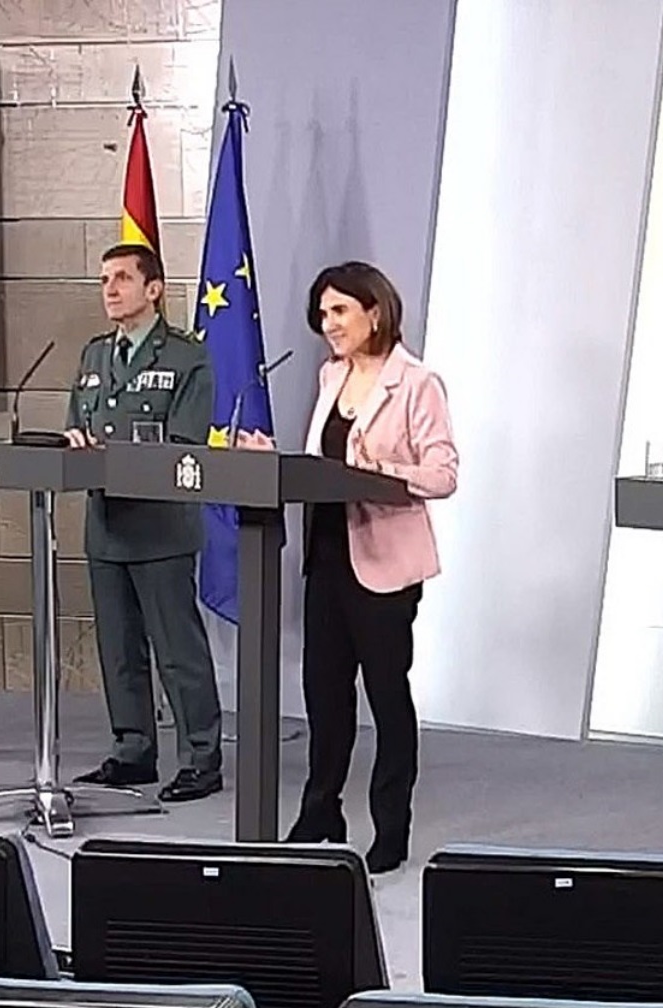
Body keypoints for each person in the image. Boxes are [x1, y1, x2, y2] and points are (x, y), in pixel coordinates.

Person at [239, 261, 458, 874]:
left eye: (339, 310)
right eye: (323, 313)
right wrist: (274, 460)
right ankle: (320, 812)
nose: (328, 324)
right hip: (328, 555)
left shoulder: (417, 382)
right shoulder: (330, 374)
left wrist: (379, 473)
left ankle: (391, 825)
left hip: (385, 563)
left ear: (375, 312)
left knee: (386, 695)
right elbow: (324, 465)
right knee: (324, 694)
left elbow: (443, 474)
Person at [68, 243, 227, 803]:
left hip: (160, 527)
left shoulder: (186, 357)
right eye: (104, 280)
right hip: (106, 526)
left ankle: (201, 757)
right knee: (119, 650)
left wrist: (113, 452)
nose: (110, 289)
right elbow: (77, 428)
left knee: (178, 652)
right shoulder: (94, 355)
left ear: (153, 289)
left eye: (122, 278)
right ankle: (133, 749)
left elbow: (184, 441)